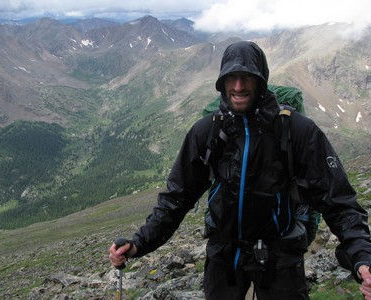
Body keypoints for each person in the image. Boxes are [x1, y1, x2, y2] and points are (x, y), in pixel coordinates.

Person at [109, 41, 371, 299]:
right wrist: (139, 243)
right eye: (231, 77)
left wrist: (362, 256)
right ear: (222, 82)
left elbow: (338, 202)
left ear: (261, 80)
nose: (238, 86)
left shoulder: (297, 131)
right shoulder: (207, 131)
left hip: (280, 253)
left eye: (247, 77)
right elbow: (178, 197)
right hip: (224, 252)